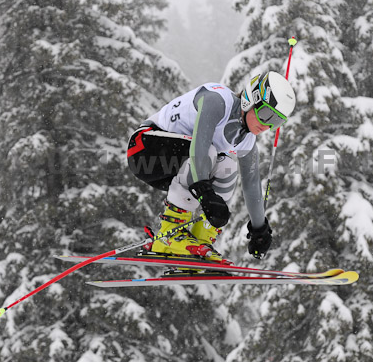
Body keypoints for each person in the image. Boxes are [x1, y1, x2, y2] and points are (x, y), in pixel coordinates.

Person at [126, 71, 296, 263]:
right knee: (210, 153)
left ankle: (199, 242)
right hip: (144, 148)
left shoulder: (247, 140)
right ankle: (170, 234)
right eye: (266, 115)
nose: (267, 126)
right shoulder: (218, 101)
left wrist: (259, 228)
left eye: (276, 121)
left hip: (177, 166)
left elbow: (252, 184)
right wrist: (205, 192)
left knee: (228, 165)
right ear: (251, 99)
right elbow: (200, 147)